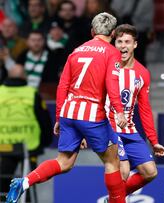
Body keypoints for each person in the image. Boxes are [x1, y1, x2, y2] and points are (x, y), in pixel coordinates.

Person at [6, 12, 127, 203]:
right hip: (92, 114)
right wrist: (119, 111)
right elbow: (112, 85)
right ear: (113, 33)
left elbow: (62, 86)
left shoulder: (76, 51)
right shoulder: (113, 53)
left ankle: (25, 182)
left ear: (92, 31)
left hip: (69, 112)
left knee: (65, 162)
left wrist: (58, 116)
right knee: (113, 162)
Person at [106, 24, 164, 195]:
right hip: (109, 126)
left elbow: (145, 109)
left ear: (135, 45)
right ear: (114, 44)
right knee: (123, 170)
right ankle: (115, 198)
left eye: (127, 41)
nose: (123, 46)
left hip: (129, 129)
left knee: (150, 172)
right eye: (119, 42)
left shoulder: (142, 73)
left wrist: (153, 141)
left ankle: (114, 198)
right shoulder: (107, 66)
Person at [0, 65, 52, 201]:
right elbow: (44, 120)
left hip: (3, 147)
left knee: (3, 185)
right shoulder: (32, 93)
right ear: (24, 77)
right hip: (28, 149)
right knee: (27, 183)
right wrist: (44, 143)